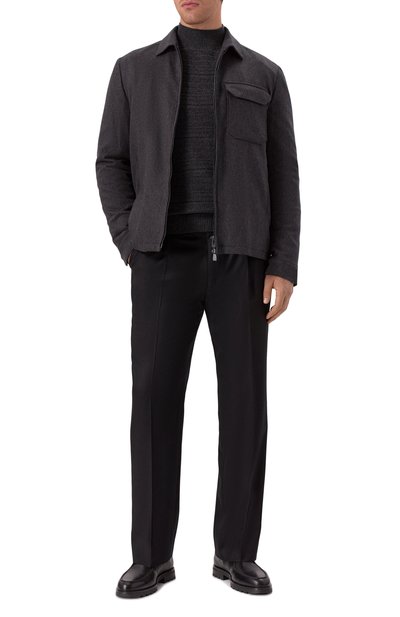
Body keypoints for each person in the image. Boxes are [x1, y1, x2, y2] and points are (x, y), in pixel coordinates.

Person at [95, 0, 301, 598]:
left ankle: (235, 554)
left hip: (241, 260)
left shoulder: (264, 74)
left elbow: (284, 175)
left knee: (244, 407)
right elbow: (110, 161)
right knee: (153, 406)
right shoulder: (132, 70)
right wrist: (131, 239)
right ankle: (151, 557)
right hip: (161, 258)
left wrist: (283, 263)